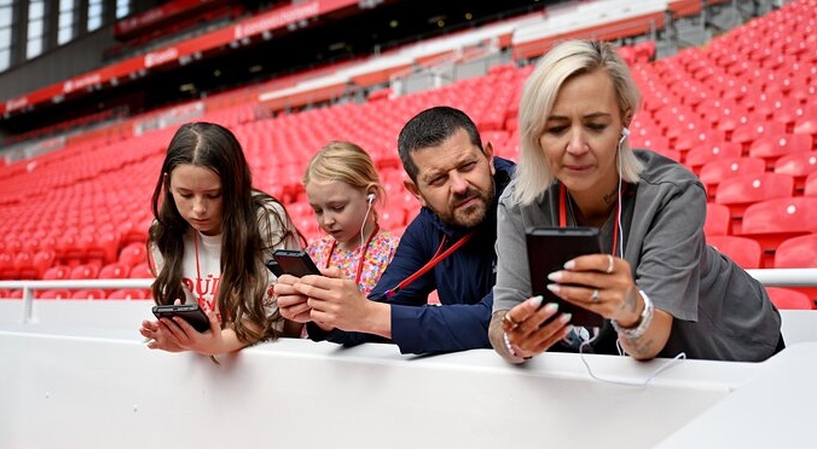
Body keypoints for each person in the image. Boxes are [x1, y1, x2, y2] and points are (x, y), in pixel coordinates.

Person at [489, 40, 783, 365]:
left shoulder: (673, 192)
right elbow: (502, 318)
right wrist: (513, 340)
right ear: (536, 133)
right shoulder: (517, 204)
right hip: (635, 371)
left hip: (736, 351)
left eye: (596, 126)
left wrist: (629, 307)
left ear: (624, 120)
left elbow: (649, 341)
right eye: (557, 128)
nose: (577, 146)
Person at [275, 106, 516, 354]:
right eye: (438, 179)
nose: (459, 186)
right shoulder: (426, 228)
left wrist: (368, 315)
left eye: (467, 166)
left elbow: (503, 319)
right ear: (416, 192)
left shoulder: (526, 205)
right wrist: (329, 314)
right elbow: (383, 305)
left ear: (488, 157)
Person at [139, 121, 304, 358]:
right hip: (211, 365)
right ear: (168, 185)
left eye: (213, 195)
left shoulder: (265, 218)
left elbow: (266, 318)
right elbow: (190, 320)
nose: (199, 209)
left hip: (269, 360)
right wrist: (180, 336)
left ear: (235, 185)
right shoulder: (162, 232)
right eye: (185, 194)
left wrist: (211, 343)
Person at [302, 141, 399, 296]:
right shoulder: (315, 252)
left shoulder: (394, 252)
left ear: (371, 196)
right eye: (318, 210)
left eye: (338, 207)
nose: (327, 221)